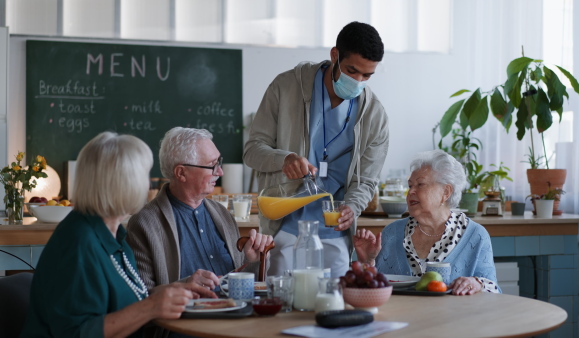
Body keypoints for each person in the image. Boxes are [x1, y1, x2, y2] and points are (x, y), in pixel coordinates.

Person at [21, 132, 215, 338]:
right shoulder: (78, 242)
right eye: (143, 175)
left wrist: (180, 288)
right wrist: (150, 307)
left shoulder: (114, 235)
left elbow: (128, 300)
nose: (148, 185)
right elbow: (78, 333)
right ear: (122, 184)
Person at [244, 21, 389, 278]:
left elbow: (366, 181)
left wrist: (352, 208)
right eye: (352, 70)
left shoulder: (374, 115)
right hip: (284, 229)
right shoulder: (286, 87)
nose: (358, 81)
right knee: (282, 308)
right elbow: (252, 151)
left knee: (334, 309)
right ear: (335, 55)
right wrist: (283, 158)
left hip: (335, 234)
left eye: (366, 76)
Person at [126, 127, 273, 335]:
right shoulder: (145, 224)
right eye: (212, 166)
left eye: (218, 163)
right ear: (181, 173)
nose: (219, 172)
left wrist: (253, 261)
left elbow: (242, 292)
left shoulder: (222, 215)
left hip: (237, 328)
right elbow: (138, 300)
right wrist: (183, 285)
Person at [354, 150, 501, 295]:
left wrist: (476, 283)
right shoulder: (392, 233)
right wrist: (367, 262)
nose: (411, 192)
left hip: (453, 318)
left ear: (446, 192)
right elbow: (369, 290)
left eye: (420, 184)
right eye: (410, 185)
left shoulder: (475, 235)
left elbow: (493, 291)